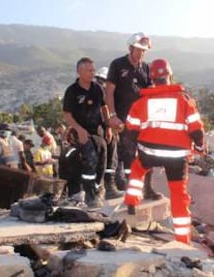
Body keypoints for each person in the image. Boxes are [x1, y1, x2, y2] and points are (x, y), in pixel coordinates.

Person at [123, 59, 206, 244]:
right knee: (178, 193)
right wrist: (200, 147)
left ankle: (131, 200)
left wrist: (134, 146)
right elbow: (196, 129)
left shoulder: (142, 101)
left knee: (137, 168)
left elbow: (131, 129)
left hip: (149, 150)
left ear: (151, 78)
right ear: (169, 75)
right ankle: (182, 239)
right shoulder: (184, 99)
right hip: (177, 156)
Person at [106, 32, 162, 200]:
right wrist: (113, 115)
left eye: (144, 51)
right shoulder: (117, 65)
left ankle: (148, 188)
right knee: (129, 156)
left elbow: (150, 93)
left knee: (148, 153)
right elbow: (109, 92)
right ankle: (133, 191)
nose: (141, 54)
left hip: (143, 120)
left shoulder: (145, 68)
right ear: (130, 48)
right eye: (139, 50)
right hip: (124, 119)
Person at [63, 57, 120, 207]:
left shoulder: (97, 89)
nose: (92, 73)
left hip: (96, 130)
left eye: (93, 70)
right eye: (89, 70)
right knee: (90, 155)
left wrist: (108, 127)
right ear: (80, 72)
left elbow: (104, 108)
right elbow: (67, 115)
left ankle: (98, 186)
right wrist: (79, 130)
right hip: (79, 131)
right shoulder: (72, 91)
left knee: (103, 150)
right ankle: (89, 193)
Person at [95, 66, 123, 194]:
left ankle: (100, 188)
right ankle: (110, 188)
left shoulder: (92, 89)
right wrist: (109, 128)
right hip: (101, 131)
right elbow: (104, 113)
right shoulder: (101, 92)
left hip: (95, 131)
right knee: (111, 158)